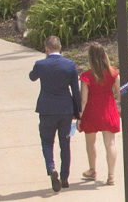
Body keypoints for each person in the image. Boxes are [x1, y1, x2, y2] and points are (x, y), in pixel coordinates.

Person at [29, 35, 82, 193]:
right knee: (65, 144)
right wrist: (78, 112)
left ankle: (51, 168)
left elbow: (32, 77)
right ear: (60, 47)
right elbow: (76, 90)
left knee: (47, 142)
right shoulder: (70, 65)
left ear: (47, 48)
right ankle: (65, 177)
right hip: (65, 110)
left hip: (46, 109)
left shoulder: (41, 64)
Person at [78, 42, 120, 186]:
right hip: (109, 111)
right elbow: (121, 95)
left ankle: (92, 170)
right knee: (110, 144)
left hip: (91, 113)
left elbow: (83, 99)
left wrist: (79, 117)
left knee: (90, 142)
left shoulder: (86, 76)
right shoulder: (113, 73)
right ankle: (111, 175)